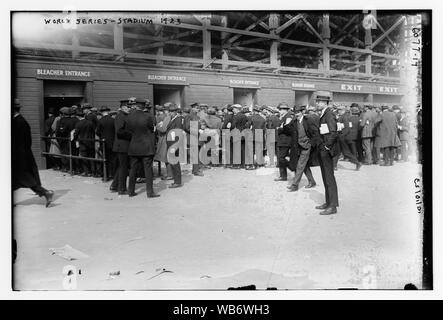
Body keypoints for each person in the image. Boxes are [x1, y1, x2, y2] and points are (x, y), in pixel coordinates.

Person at [12, 99, 54, 207]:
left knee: (25, 178)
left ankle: (46, 192)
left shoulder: (19, 122)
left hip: (19, 155)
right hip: (21, 154)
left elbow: (23, 142)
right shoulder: (18, 121)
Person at [125, 100, 159, 198]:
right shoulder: (148, 116)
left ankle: (130, 191)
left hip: (134, 146)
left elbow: (128, 130)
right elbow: (152, 129)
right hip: (146, 147)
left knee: (133, 169)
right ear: (144, 106)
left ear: (136, 106)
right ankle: (150, 192)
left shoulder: (129, 117)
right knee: (148, 170)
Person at [314, 91, 339, 215]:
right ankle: (328, 202)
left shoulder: (329, 114)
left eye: (319, 102)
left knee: (329, 178)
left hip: (326, 151)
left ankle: (333, 206)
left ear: (325, 103)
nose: (317, 103)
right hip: (323, 149)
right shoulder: (324, 114)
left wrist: (327, 147)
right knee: (325, 177)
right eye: (317, 101)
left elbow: (333, 132)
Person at [287, 105, 317, 192]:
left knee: (300, 166)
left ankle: (295, 185)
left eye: (298, 112)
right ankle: (312, 181)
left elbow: (315, 133)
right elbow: (287, 129)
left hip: (306, 147)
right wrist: (283, 125)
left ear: (302, 112)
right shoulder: (294, 121)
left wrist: (311, 144)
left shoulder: (308, 120)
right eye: (295, 113)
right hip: (298, 147)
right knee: (305, 165)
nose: (296, 114)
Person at [110, 102, 131, 194]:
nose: (129, 108)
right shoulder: (120, 116)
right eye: (127, 107)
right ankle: (121, 189)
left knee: (122, 166)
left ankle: (114, 185)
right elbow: (119, 131)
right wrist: (132, 134)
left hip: (123, 145)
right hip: (122, 145)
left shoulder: (124, 116)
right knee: (123, 168)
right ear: (122, 107)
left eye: (129, 107)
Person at [336, 105, 362, 170]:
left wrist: (341, 135)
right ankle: (334, 165)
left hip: (341, 137)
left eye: (339, 110)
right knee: (339, 152)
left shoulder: (344, 117)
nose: (338, 111)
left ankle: (357, 163)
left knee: (345, 152)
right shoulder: (344, 116)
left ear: (342, 110)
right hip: (341, 136)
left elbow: (347, 128)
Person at [274, 102, 295, 181]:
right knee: (280, 158)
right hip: (281, 140)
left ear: (284, 110)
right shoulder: (282, 116)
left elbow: (288, 128)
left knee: (281, 158)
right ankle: (283, 176)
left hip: (285, 141)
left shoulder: (288, 117)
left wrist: (279, 128)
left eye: (280, 109)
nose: (279, 111)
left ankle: (292, 167)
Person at [73, 108, 97, 177]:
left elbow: (76, 134)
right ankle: (93, 172)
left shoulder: (78, 124)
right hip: (91, 142)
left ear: (78, 116)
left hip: (82, 142)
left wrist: (75, 139)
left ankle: (87, 172)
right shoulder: (90, 122)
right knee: (91, 157)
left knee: (84, 158)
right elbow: (94, 131)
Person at [166, 104, 184, 188]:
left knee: (175, 163)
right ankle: (176, 180)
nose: (170, 113)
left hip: (174, 144)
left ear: (175, 112)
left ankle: (177, 182)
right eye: (170, 111)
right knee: (173, 163)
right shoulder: (173, 119)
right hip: (171, 143)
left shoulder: (178, 119)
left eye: (172, 111)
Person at [96, 106, 116, 178]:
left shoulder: (100, 121)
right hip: (113, 142)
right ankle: (113, 174)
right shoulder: (113, 120)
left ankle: (106, 175)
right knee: (113, 159)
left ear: (101, 112)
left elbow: (97, 132)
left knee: (105, 159)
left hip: (104, 143)